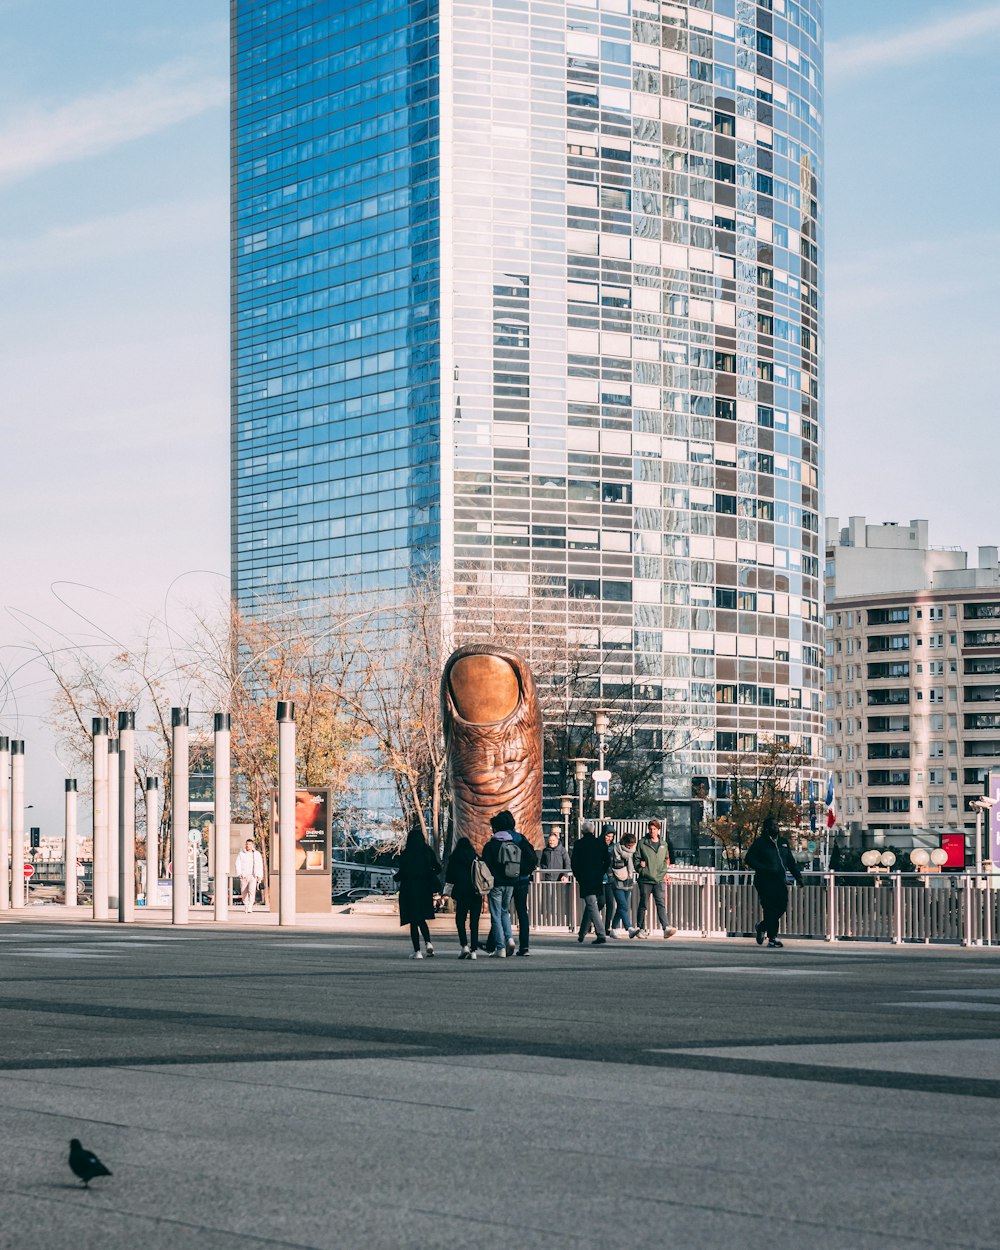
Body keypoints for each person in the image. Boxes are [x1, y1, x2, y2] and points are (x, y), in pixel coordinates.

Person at [745, 815, 802, 948]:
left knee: (782, 906)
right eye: (772, 825)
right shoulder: (760, 843)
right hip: (764, 880)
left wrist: (798, 877)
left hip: (779, 880)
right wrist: (765, 869)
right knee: (770, 908)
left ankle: (762, 926)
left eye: (777, 825)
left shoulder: (783, 842)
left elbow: (790, 862)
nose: (775, 827)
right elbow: (749, 859)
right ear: (766, 828)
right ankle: (772, 937)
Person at [395, 823, 442, 959]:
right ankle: (428, 943)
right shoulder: (428, 852)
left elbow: (402, 873)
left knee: (413, 921)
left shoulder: (406, 854)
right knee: (422, 919)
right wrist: (428, 873)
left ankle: (417, 951)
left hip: (409, 890)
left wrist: (396, 877)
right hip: (425, 890)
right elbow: (438, 868)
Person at [482, 810, 522, 957]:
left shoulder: (491, 845)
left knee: (496, 915)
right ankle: (510, 938)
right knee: (505, 912)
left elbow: (484, 864)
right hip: (511, 882)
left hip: (496, 884)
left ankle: (500, 947)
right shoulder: (512, 843)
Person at [633, 819, 676, 939]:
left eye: (654, 829)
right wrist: (641, 870)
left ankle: (665, 927)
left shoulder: (663, 844)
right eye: (650, 829)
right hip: (645, 879)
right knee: (643, 904)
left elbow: (665, 860)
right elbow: (636, 859)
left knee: (661, 903)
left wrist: (663, 872)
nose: (652, 831)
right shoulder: (642, 843)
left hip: (659, 879)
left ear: (658, 830)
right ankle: (641, 928)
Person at [571, 820, 610, 945]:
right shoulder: (600, 843)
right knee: (592, 904)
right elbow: (607, 860)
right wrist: (601, 871)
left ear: (582, 831)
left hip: (585, 878)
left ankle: (600, 933)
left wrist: (578, 876)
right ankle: (582, 933)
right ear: (593, 830)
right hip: (597, 878)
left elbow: (574, 864)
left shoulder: (579, 844)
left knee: (591, 904)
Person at [445, 836, 482, 960]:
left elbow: (449, 877)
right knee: (474, 922)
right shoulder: (475, 858)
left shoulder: (454, 858)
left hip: (461, 892)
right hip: (476, 892)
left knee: (460, 920)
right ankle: (474, 950)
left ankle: (464, 945)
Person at [607, 831, 639, 937]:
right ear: (624, 843)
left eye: (632, 845)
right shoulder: (614, 850)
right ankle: (629, 928)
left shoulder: (633, 852)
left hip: (628, 880)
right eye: (629, 845)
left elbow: (636, 862)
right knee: (623, 905)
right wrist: (611, 878)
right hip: (616, 881)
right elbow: (608, 865)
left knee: (622, 907)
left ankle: (614, 929)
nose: (630, 847)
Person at [234, 838, 264, 914]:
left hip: (253, 875)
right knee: (244, 891)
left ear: (252, 845)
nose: (248, 846)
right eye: (247, 844)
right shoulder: (242, 853)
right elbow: (238, 863)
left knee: (252, 891)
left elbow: (260, 865)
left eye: (249, 844)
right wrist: (239, 873)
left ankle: (250, 906)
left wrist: (259, 875)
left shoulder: (256, 854)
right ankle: (246, 904)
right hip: (244, 875)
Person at [601, 824, 617, 932]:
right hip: (599, 879)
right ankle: (591, 922)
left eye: (611, 837)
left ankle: (607, 927)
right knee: (600, 903)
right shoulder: (598, 845)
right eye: (607, 836)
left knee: (610, 904)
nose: (609, 839)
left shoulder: (613, 847)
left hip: (610, 878)